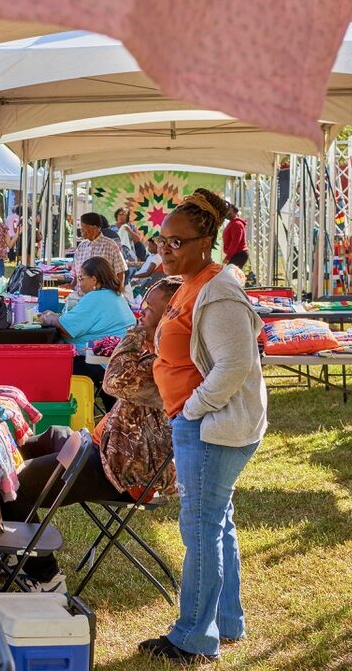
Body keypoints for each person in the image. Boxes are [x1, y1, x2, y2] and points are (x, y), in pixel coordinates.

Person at [142, 188, 267, 664]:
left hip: (211, 427)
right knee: (217, 522)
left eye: (176, 242)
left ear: (206, 241)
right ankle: (228, 620)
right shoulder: (193, 283)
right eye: (161, 241)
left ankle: (193, 636)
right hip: (200, 422)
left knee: (200, 527)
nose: (165, 249)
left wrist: (192, 409)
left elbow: (234, 366)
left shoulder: (219, 292)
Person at [0, 279, 180, 593]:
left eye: (150, 310)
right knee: (12, 447)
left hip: (125, 470)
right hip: (101, 446)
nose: (141, 313)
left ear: (173, 316)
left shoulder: (171, 364)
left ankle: (46, 578)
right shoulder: (159, 352)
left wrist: (137, 332)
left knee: (14, 486)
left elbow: (112, 380)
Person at [39, 256, 135, 389]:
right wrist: (58, 317)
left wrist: (50, 318)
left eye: (81, 279)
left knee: (46, 365)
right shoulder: (115, 296)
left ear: (94, 279)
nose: (79, 284)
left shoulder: (95, 298)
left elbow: (66, 330)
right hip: (118, 362)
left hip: (100, 363)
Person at [72, 212, 126, 294]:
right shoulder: (81, 246)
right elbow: (76, 273)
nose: (82, 231)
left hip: (103, 296)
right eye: (81, 228)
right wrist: (72, 285)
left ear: (95, 227)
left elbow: (120, 272)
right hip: (82, 297)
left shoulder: (110, 245)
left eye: (85, 228)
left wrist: (117, 292)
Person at [222, 202, 248, 268]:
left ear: (234, 211)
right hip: (236, 254)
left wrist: (228, 257)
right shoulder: (232, 222)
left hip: (238, 255)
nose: (226, 213)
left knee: (230, 276)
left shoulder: (237, 224)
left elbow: (235, 242)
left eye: (228, 211)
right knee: (232, 276)